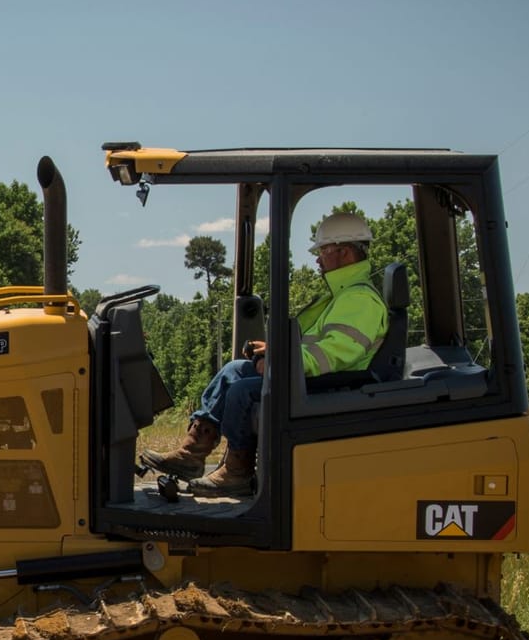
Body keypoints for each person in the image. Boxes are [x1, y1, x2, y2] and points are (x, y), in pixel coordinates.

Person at [139, 211, 389, 498]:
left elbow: (332, 355)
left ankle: (238, 471)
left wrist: (280, 362)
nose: (318, 259)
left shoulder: (359, 300)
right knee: (234, 370)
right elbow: (313, 344)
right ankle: (192, 453)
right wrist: (274, 351)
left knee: (243, 391)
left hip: (330, 383)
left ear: (344, 252)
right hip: (310, 376)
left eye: (323, 251)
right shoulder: (341, 296)